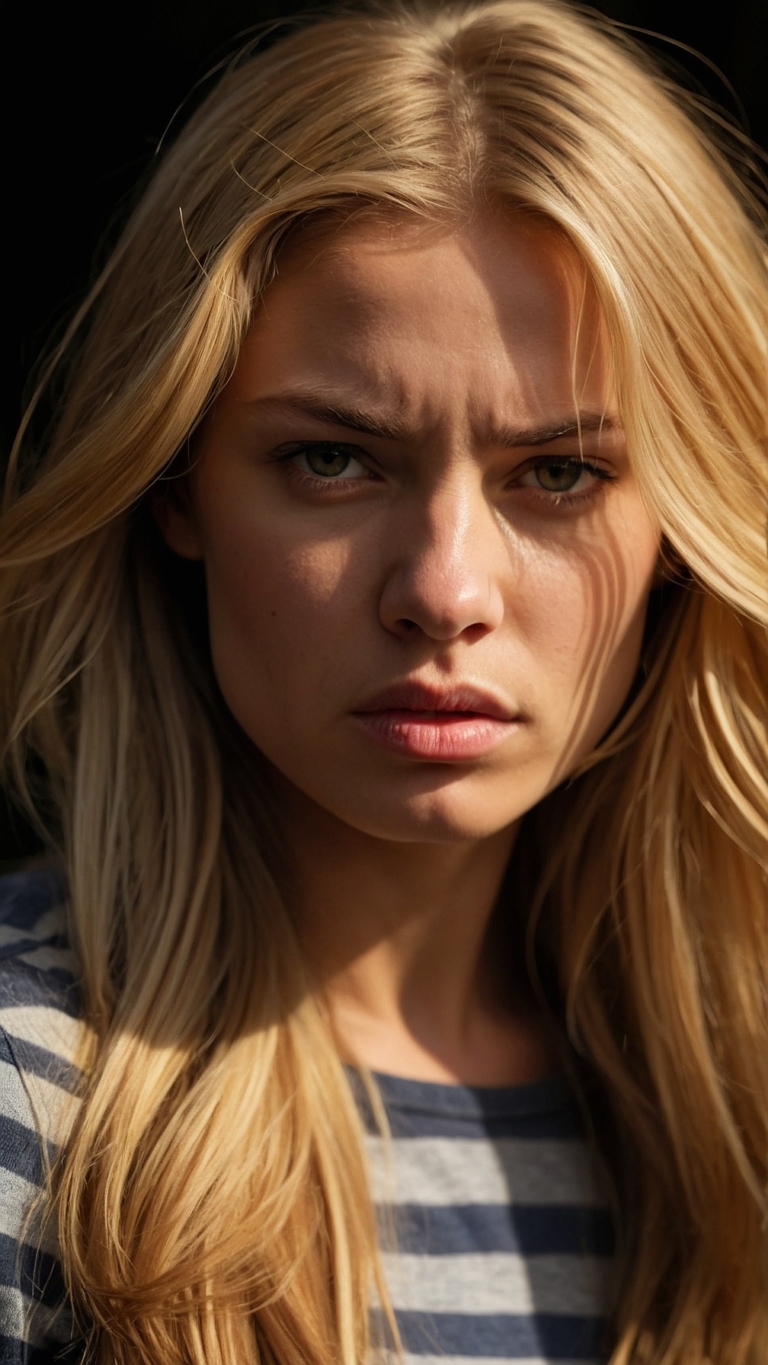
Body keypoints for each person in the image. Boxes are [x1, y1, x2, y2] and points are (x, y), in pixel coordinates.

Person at [1, 1, 766, 1361]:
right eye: (333, 460)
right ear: (178, 483)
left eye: (561, 472)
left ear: (682, 533)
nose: (444, 589)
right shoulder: (33, 1092)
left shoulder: (728, 1137)